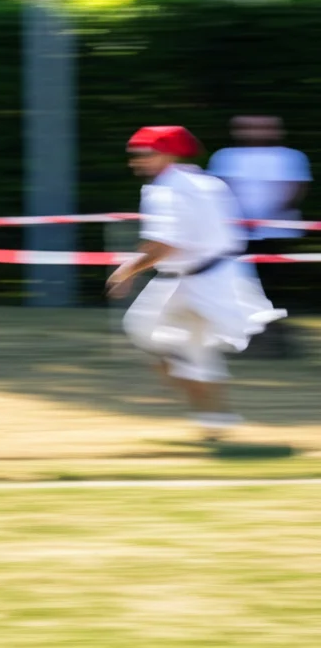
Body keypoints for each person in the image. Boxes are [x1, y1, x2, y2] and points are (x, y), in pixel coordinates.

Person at [107, 126, 286, 439]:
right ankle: (216, 421)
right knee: (196, 353)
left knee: (144, 332)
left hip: (192, 281)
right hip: (219, 278)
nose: (136, 160)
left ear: (169, 153)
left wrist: (126, 271)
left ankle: (202, 399)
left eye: (144, 153)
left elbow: (165, 244)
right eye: (134, 154)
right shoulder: (209, 183)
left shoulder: (164, 189)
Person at [207, 115, 312, 357]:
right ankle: (241, 339)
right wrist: (241, 220)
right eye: (249, 127)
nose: (255, 132)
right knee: (238, 287)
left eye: (263, 127)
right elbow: (220, 190)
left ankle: (278, 344)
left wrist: (263, 219)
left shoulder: (291, 157)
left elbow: (295, 190)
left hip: (278, 235)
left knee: (273, 290)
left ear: (277, 130)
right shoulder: (225, 157)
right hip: (235, 234)